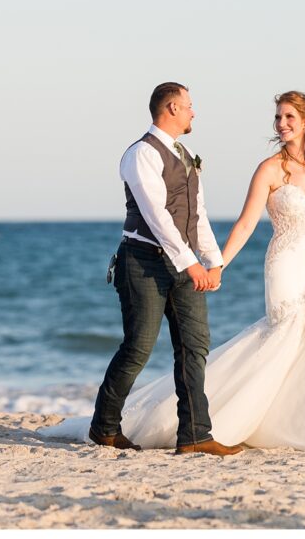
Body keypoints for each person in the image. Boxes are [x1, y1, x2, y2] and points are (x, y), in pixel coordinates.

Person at [39, 90, 305, 452]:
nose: (281, 124)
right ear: (173, 108)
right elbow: (235, 223)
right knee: (151, 347)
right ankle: (113, 425)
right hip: (274, 262)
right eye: (278, 117)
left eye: (288, 117)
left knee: (222, 346)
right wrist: (216, 264)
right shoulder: (267, 168)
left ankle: (240, 430)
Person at [42, 82, 242, 456]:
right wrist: (191, 263)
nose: (193, 112)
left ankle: (196, 436)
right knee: (138, 348)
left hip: (184, 266)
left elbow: (195, 216)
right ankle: (104, 428)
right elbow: (157, 216)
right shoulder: (140, 154)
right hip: (143, 264)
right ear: (170, 108)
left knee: (194, 347)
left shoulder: (187, 154)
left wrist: (213, 261)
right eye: (188, 106)